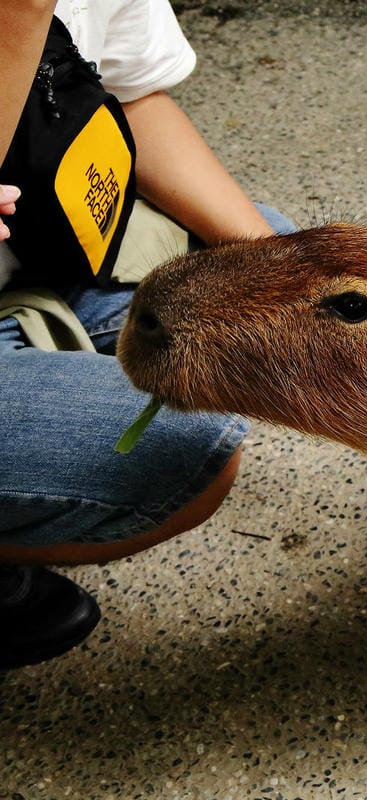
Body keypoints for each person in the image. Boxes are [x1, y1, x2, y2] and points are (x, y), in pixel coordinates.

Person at [0, 0, 295, 669]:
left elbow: (131, 95)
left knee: (271, 270)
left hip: (44, 252)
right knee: (178, 455)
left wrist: (276, 265)